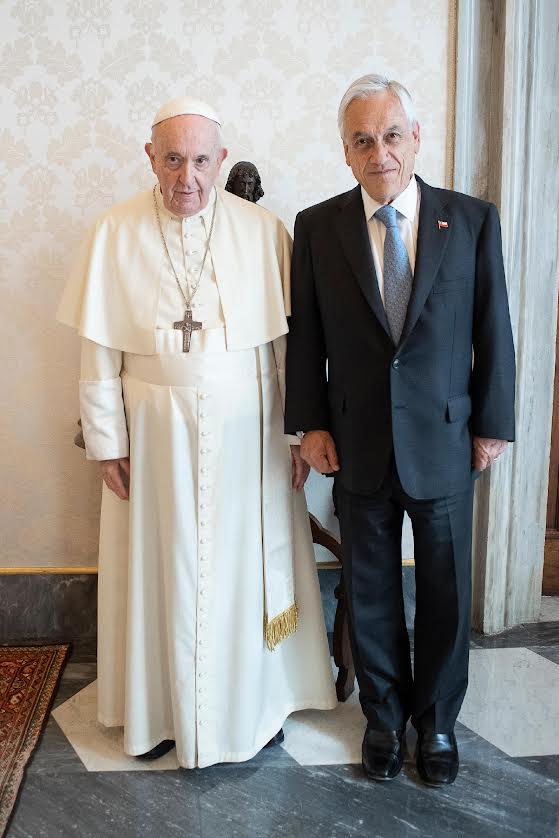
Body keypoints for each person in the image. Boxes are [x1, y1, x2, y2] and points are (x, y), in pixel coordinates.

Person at [58, 96, 336, 769]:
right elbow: (98, 352)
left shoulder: (263, 232)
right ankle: (156, 711)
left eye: (202, 161)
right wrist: (107, 442)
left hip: (250, 436)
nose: (188, 177)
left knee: (244, 571)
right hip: (152, 438)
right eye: (174, 159)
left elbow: (289, 348)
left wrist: (297, 433)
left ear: (221, 159)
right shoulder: (114, 232)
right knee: (159, 569)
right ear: (150, 158)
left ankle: (253, 707)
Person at [285, 75, 515, 785]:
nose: (378, 152)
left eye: (390, 135)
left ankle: (437, 723)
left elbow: (493, 330)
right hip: (355, 441)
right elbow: (305, 338)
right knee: (370, 586)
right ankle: (383, 718)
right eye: (361, 140)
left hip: (445, 440)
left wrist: (492, 424)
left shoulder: (469, 220)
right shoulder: (316, 228)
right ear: (344, 151)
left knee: (445, 592)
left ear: (415, 138)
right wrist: (308, 425)